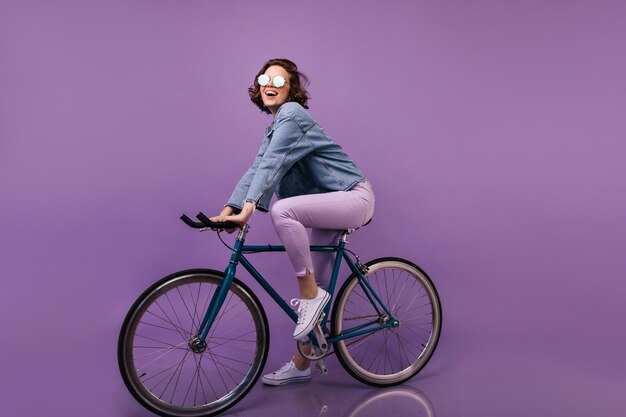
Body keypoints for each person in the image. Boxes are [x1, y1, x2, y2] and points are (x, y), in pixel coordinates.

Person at [210, 58, 375, 385]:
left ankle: (310, 297)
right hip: (330, 201)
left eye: (278, 80)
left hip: (353, 196)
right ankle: (303, 363)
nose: (269, 84)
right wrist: (230, 209)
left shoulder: (293, 116)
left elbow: (272, 164)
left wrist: (249, 208)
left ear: (291, 89)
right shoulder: (274, 126)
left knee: (282, 210)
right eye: (264, 78)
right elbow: (257, 168)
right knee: (321, 281)